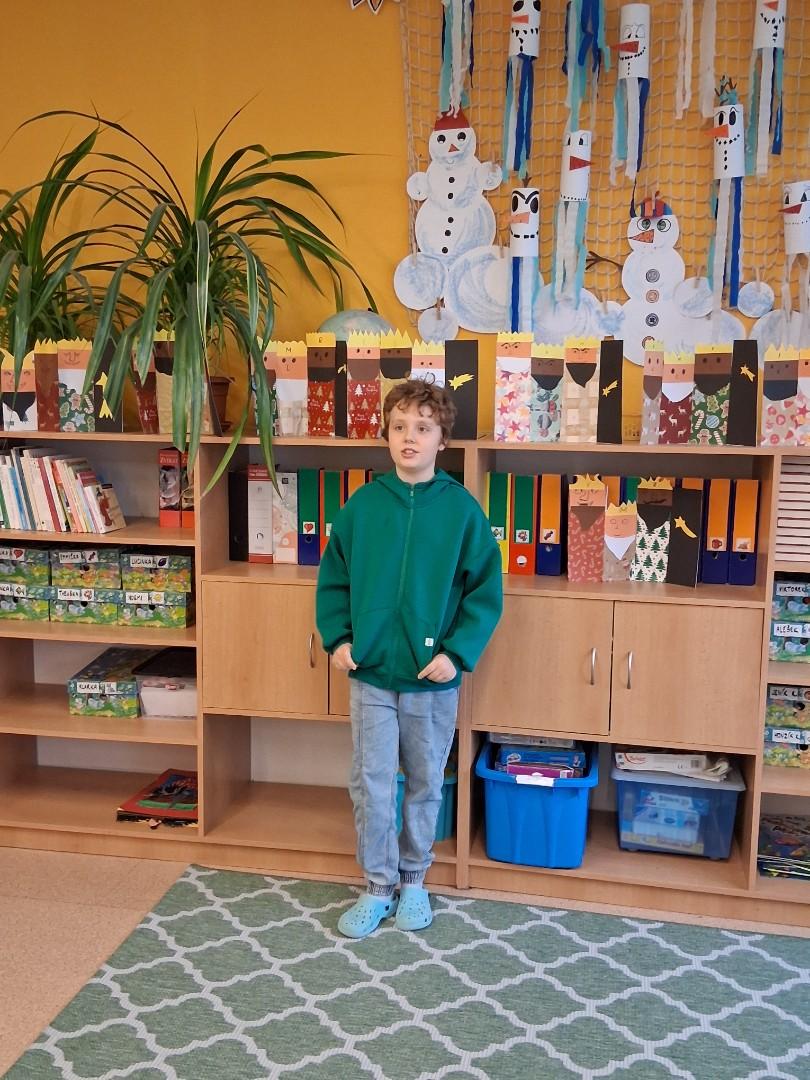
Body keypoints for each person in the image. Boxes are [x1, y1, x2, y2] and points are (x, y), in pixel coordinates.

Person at [316, 378, 502, 938]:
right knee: (371, 783)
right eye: (399, 427)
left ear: (442, 438)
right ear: (387, 435)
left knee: (424, 783)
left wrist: (457, 654)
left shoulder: (461, 511)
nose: (409, 438)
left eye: (422, 427)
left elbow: (484, 592)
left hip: (431, 677)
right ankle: (377, 886)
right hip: (371, 674)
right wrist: (338, 639)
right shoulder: (363, 507)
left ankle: (415, 880)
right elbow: (334, 580)